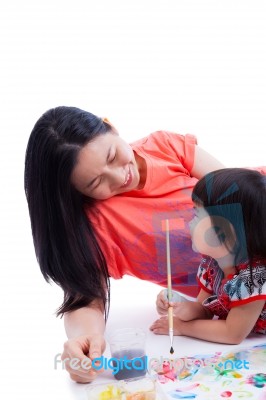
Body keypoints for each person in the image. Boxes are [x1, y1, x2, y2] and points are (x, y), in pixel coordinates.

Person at [24, 106, 264, 382]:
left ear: (110, 126)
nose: (119, 176)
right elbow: (83, 297)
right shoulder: (94, 227)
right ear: (74, 193)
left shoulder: (164, 147)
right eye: (95, 182)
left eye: (112, 155)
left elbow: (238, 197)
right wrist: (86, 340)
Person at [151, 168, 266, 344]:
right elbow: (204, 310)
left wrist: (182, 328)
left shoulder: (254, 277)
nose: (190, 222)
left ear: (227, 231)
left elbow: (232, 333)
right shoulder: (212, 265)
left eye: (197, 215)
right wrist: (179, 305)